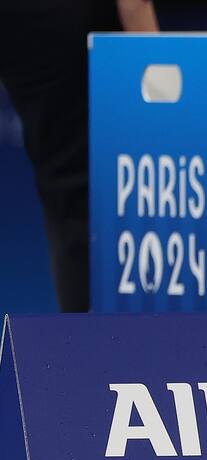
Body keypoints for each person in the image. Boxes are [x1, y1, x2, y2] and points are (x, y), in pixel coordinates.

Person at [0, 0, 158, 313]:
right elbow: (134, 4)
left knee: (67, 185)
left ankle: (85, 333)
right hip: (76, 21)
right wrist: (163, 82)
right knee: (128, 185)